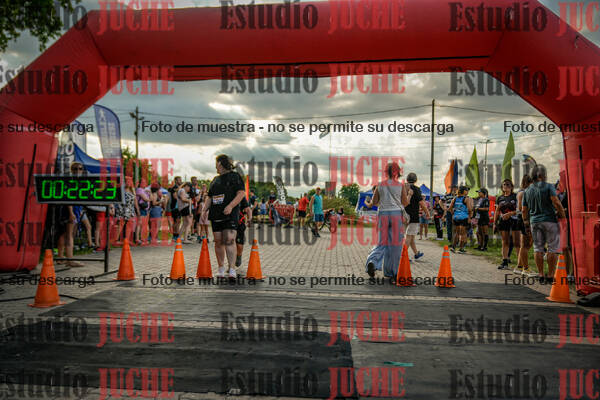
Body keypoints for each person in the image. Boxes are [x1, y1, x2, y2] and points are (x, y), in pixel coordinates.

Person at [201, 154, 246, 279]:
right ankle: (221, 268)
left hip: (229, 214)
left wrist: (231, 206)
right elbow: (210, 197)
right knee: (218, 242)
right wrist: (204, 211)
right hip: (216, 214)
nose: (215, 166)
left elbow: (241, 193)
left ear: (220, 163)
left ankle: (232, 269)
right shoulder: (215, 180)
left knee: (229, 240)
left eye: (216, 163)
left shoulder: (235, 176)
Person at [364, 162, 410, 278]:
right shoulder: (400, 185)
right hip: (396, 214)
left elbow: (374, 202)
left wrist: (383, 202)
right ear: (397, 172)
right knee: (395, 245)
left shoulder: (380, 185)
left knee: (381, 242)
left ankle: (373, 262)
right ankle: (392, 271)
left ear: (386, 172)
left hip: (383, 214)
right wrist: (407, 196)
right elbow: (405, 203)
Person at [522, 165, 566, 283]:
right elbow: (556, 202)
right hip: (550, 220)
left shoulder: (527, 190)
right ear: (542, 175)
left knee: (538, 248)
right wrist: (563, 216)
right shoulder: (548, 186)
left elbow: (524, 210)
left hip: (535, 222)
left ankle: (541, 274)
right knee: (552, 248)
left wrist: (526, 222)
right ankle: (550, 275)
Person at [494, 179, 520, 270]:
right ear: (502, 187)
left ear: (512, 187)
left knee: (517, 243)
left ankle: (520, 264)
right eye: (504, 184)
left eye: (508, 184)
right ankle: (504, 262)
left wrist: (510, 214)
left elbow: (520, 209)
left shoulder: (516, 196)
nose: (506, 186)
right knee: (505, 242)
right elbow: (497, 211)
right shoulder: (499, 198)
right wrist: (495, 223)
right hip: (503, 221)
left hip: (515, 221)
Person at [404, 173, 429, 259]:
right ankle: (403, 256)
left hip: (403, 214)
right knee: (409, 236)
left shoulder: (403, 188)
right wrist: (427, 212)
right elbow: (421, 202)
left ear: (407, 179)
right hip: (413, 215)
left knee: (411, 236)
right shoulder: (416, 189)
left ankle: (416, 253)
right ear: (415, 180)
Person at [516, 175, 534, 275]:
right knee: (525, 245)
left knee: (527, 244)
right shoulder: (523, 192)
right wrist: (526, 221)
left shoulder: (523, 191)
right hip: (524, 219)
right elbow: (521, 208)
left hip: (525, 218)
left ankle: (519, 266)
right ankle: (525, 268)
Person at [115, 176, 139, 245]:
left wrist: (137, 211)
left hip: (130, 210)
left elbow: (135, 201)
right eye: (127, 181)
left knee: (130, 225)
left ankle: (127, 240)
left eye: (130, 181)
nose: (128, 183)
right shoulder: (121, 190)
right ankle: (115, 240)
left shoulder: (132, 190)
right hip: (122, 209)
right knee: (121, 224)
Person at [449, 186, 473, 253]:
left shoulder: (455, 198)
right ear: (464, 191)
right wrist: (470, 217)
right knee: (463, 234)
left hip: (456, 217)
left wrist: (453, 214)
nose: (467, 191)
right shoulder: (466, 199)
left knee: (456, 233)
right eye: (467, 190)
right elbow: (470, 209)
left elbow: (450, 208)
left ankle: (453, 247)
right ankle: (461, 249)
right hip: (464, 218)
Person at [235, 197, 252, 268]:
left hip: (240, 223)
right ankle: (231, 265)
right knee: (229, 244)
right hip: (228, 223)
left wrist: (249, 219)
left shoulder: (241, 196)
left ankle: (239, 256)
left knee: (239, 244)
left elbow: (248, 209)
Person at [168, 176, 183, 241]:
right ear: (176, 181)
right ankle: (174, 236)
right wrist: (182, 199)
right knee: (176, 221)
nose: (181, 181)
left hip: (178, 207)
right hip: (175, 207)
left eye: (181, 180)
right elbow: (175, 197)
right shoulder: (174, 187)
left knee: (178, 221)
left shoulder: (179, 188)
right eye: (179, 180)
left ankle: (177, 235)